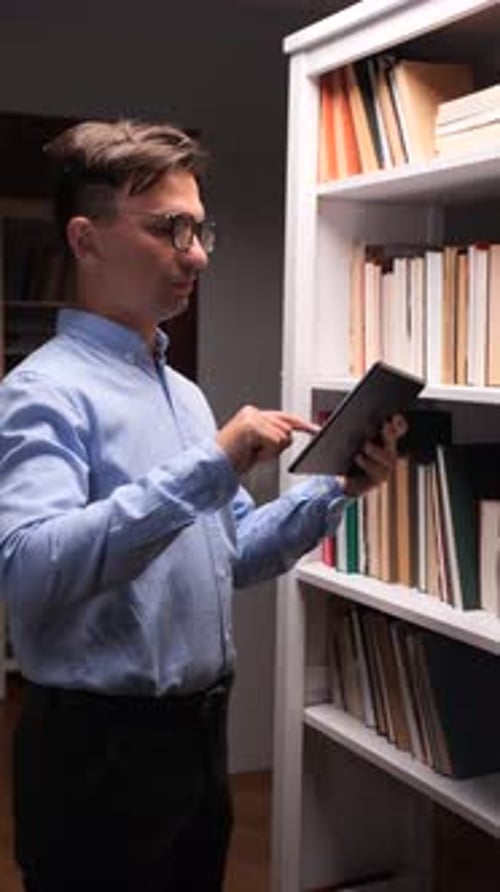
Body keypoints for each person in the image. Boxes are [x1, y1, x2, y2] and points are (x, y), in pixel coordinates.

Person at [0, 119, 406, 892]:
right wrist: (211, 465)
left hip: (198, 737)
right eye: (170, 229)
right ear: (87, 240)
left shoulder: (182, 394)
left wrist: (336, 486)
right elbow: (25, 570)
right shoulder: (41, 392)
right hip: (97, 754)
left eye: (199, 229)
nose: (197, 254)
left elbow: (233, 553)